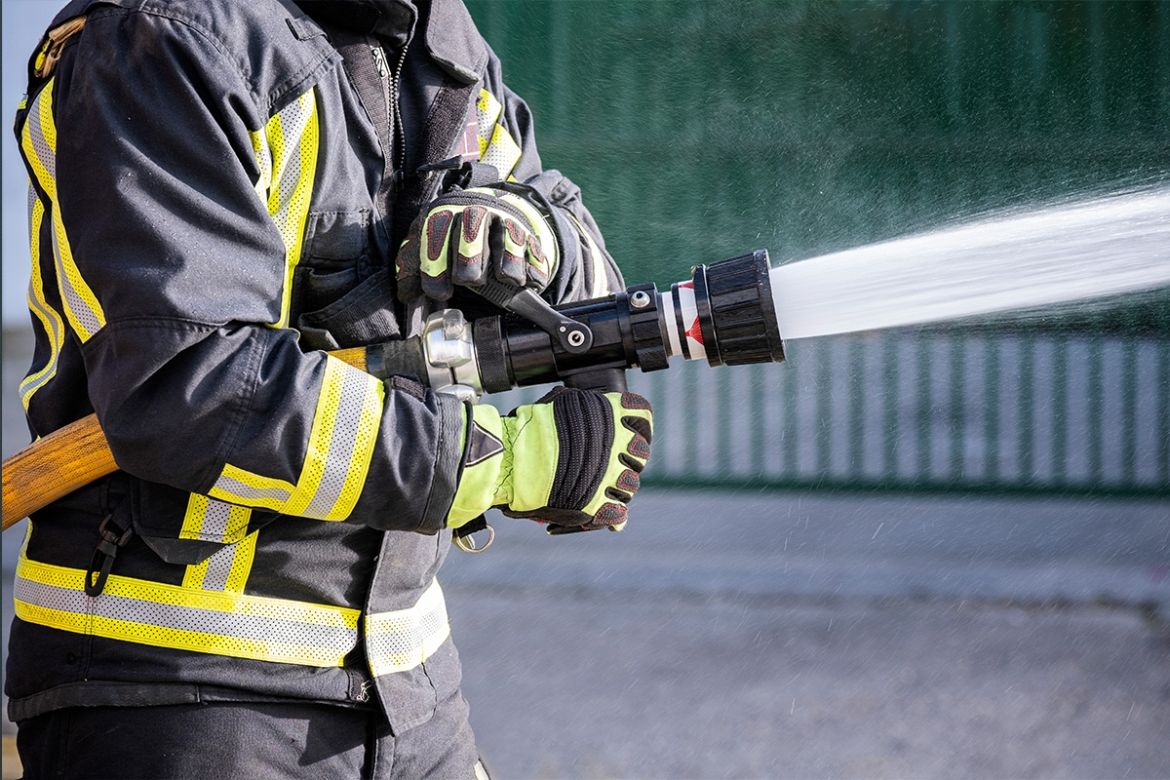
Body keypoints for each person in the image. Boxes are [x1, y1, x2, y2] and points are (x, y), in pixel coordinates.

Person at [7, 0, 653, 776]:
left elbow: (576, 255)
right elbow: (192, 387)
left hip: (409, 678)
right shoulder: (164, 37)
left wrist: (528, 232)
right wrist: (488, 463)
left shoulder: (437, 38)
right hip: (180, 690)